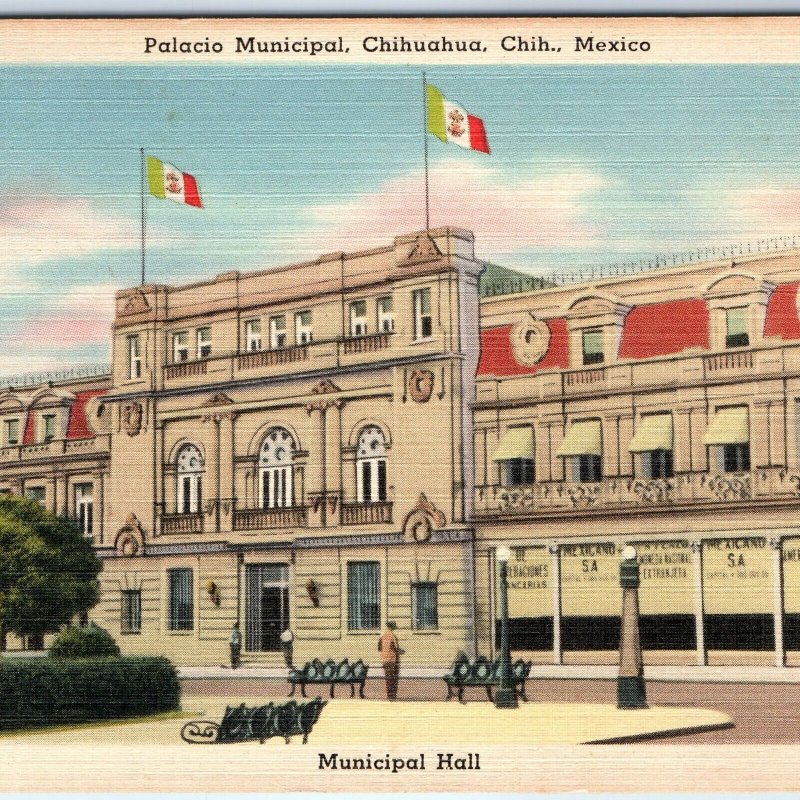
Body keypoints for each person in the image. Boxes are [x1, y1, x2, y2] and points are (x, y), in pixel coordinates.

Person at [378, 620, 403, 700]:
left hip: (384, 659)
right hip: (392, 660)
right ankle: (392, 697)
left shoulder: (382, 636)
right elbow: (395, 648)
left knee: (388, 679)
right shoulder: (392, 636)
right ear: (392, 627)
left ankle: (390, 696)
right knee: (393, 679)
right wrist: (401, 651)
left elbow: (379, 648)